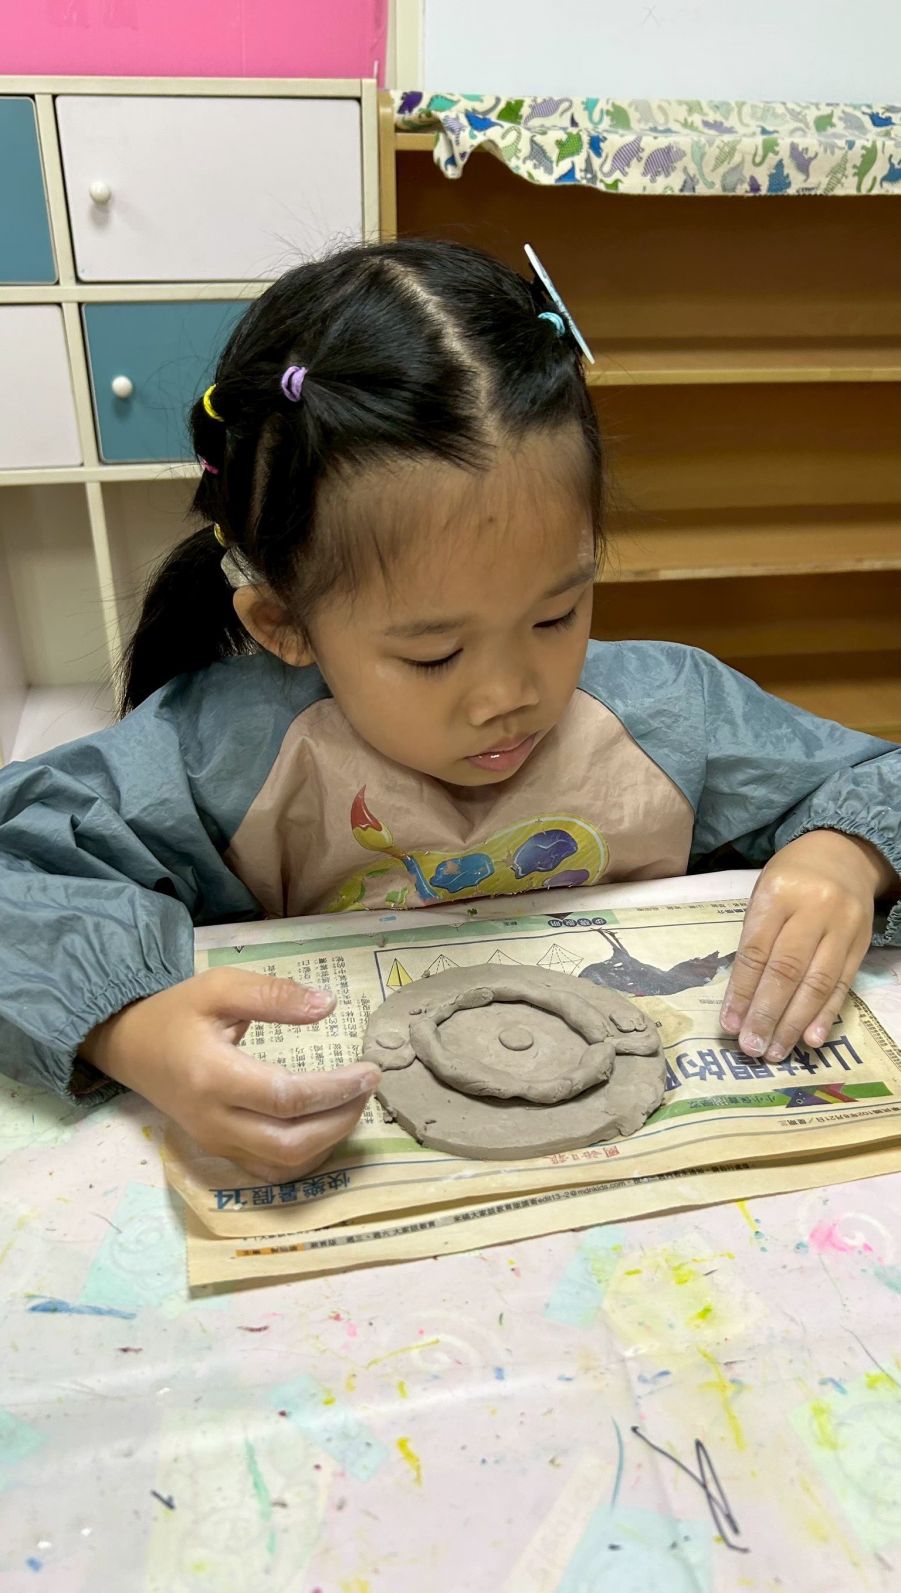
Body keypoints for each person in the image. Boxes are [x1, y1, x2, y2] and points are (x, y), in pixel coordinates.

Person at [0, 240, 898, 1182]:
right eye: (433, 655)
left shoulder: (669, 711)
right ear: (284, 623)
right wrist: (129, 1025)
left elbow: (874, 775)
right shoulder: (223, 750)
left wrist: (845, 854)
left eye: (556, 615)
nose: (511, 694)